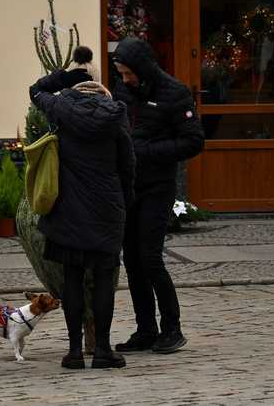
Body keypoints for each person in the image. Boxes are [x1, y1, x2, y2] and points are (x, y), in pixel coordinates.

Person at [29, 46, 136, 369]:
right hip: (106, 209)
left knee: (72, 279)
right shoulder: (115, 115)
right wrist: (124, 204)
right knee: (104, 279)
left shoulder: (59, 108)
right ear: (102, 89)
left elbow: (35, 90)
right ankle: (102, 349)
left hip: (68, 209)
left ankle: (75, 351)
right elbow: (127, 165)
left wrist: (61, 76)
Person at [111, 37, 204, 354]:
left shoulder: (175, 93)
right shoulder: (123, 90)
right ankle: (146, 329)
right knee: (133, 262)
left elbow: (193, 142)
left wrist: (146, 151)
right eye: (120, 74)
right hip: (129, 187)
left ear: (142, 68)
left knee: (150, 259)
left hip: (157, 187)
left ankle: (172, 328)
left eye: (128, 73)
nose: (125, 80)